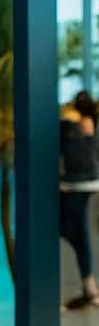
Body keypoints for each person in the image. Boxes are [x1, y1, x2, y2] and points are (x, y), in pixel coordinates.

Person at [60, 91, 99, 309]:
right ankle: (89, 286)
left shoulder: (68, 126)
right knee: (78, 233)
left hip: (73, 186)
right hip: (89, 185)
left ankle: (89, 286)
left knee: (77, 234)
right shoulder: (93, 123)